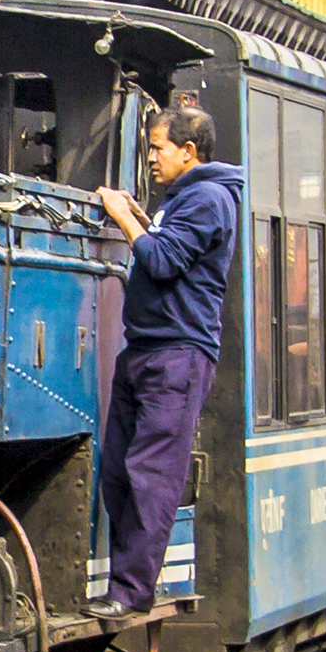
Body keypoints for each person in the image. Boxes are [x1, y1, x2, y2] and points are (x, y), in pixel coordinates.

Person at [92, 97, 245, 618]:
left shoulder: (207, 199)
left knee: (150, 475)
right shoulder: (182, 198)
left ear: (189, 150)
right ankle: (121, 582)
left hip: (177, 355)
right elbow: (166, 244)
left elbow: (160, 260)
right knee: (117, 468)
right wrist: (139, 215)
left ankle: (131, 593)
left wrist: (123, 219)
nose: (152, 158)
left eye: (158, 149)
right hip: (148, 348)